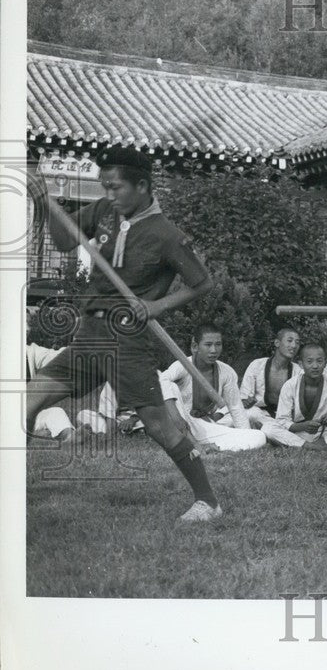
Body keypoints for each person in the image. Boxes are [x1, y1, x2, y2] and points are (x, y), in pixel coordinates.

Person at [25, 146, 222, 522]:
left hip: (128, 342)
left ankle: (208, 501)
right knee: (26, 401)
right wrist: (45, 200)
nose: (109, 195)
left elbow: (202, 282)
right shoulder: (103, 211)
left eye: (115, 187)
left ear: (143, 185)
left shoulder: (166, 235)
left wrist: (155, 307)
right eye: (104, 187)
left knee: (159, 426)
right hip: (90, 335)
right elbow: (66, 240)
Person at [159, 324, 266, 452]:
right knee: (167, 383)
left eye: (218, 344)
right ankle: (192, 444)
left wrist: (245, 434)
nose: (214, 350)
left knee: (259, 437)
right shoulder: (182, 365)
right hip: (178, 425)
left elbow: (236, 408)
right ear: (195, 346)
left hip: (203, 426)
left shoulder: (227, 372)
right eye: (208, 345)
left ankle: (213, 447)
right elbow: (161, 381)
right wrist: (178, 419)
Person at [262, 342, 327, 450]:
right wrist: (302, 426)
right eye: (309, 361)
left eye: (319, 361)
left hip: (325, 434)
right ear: (300, 364)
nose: (315, 366)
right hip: (297, 433)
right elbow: (282, 420)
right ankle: (310, 446)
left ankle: (320, 443)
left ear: (325, 363)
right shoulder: (290, 385)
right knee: (268, 428)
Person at [25, 342, 115, 441]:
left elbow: (54, 357)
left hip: (28, 412)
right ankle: (39, 433)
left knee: (56, 412)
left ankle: (70, 437)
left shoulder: (30, 352)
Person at [240, 327, 302, 428]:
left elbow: (299, 405)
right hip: (260, 413)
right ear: (277, 343)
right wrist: (245, 401)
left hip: (285, 417)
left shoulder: (298, 372)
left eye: (297, 342)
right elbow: (244, 396)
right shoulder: (257, 365)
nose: (294, 346)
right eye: (289, 341)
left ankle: (269, 430)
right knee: (250, 414)